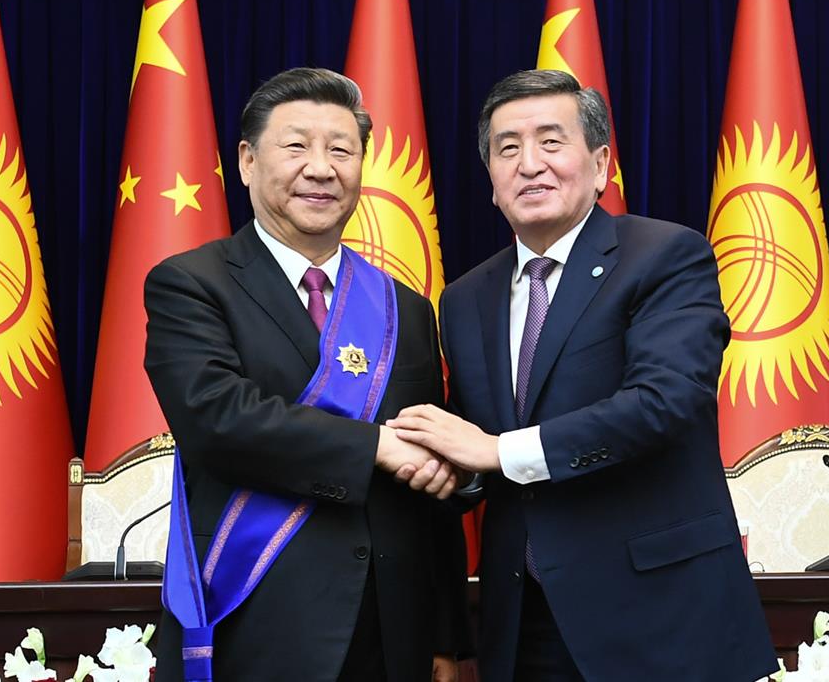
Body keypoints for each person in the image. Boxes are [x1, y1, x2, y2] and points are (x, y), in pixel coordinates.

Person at [388, 69, 778, 682]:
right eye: (507, 148)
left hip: (659, 617)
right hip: (524, 624)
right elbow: (474, 442)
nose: (529, 163)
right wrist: (452, 471)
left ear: (600, 166)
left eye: (551, 141)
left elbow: (663, 402)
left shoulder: (665, 256)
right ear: (491, 180)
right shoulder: (464, 299)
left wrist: (496, 452)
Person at [144, 67, 467, 682]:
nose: (321, 168)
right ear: (247, 161)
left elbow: (430, 468)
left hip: (392, 632)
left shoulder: (405, 308)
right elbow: (218, 419)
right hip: (258, 619)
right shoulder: (191, 284)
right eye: (296, 146)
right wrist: (376, 447)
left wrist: (447, 637)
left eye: (341, 150)